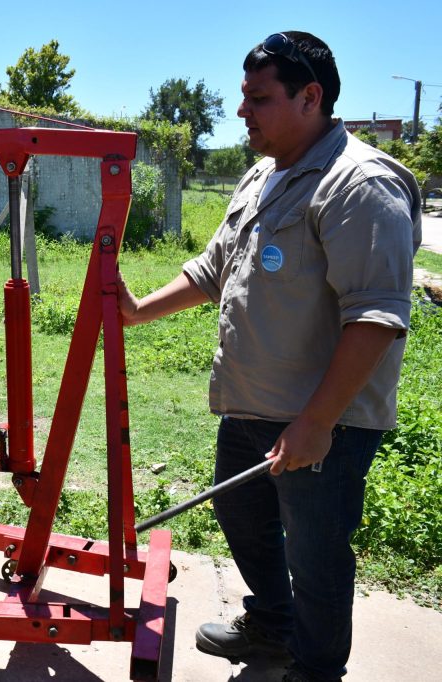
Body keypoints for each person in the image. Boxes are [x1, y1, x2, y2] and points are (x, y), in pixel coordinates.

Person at [119, 32, 420, 682]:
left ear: (310, 97)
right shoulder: (263, 173)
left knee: (315, 554)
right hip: (252, 403)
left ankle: (315, 669)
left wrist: (316, 422)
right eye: (243, 96)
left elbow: (376, 318)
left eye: (259, 98)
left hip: (323, 421)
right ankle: (273, 627)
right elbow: (214, 268)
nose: (242, 111)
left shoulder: (361, 185)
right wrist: (137, 309)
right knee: (244, 516)